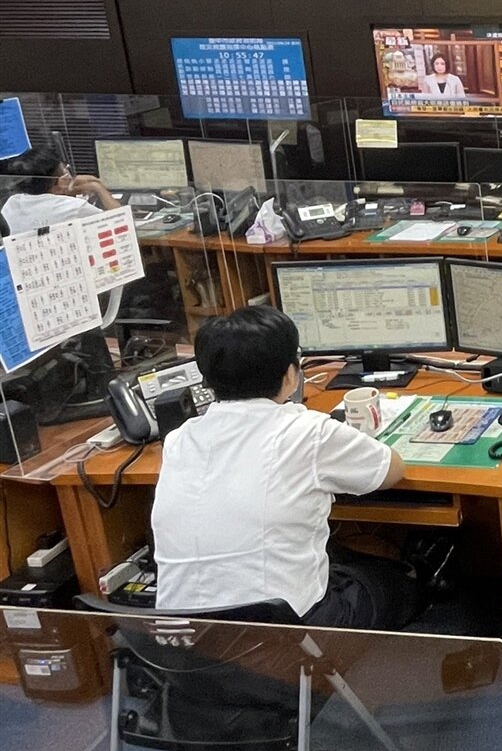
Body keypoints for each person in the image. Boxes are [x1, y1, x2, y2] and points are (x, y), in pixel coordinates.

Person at [151, 306, 418, 629]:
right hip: (284, 638)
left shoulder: (180, 440)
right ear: (291, 375)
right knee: (400, 580)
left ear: (208, 381)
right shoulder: (309, 432)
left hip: (183, 644)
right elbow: (393, 470)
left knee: (333, 555)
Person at [1, 147, 113, 233]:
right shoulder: (75, 208)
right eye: (66, 171)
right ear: (62, 181)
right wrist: (98, 188)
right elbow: (123, 227)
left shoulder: (11, 203)